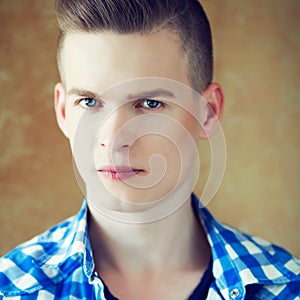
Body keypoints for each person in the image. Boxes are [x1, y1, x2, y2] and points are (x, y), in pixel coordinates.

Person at [0, 0, 299, 299]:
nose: (114, 139)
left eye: (150, 103)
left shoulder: (287, 288)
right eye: (89, 102)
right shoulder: (11, 291)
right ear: (63, 111)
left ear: (207, 113)